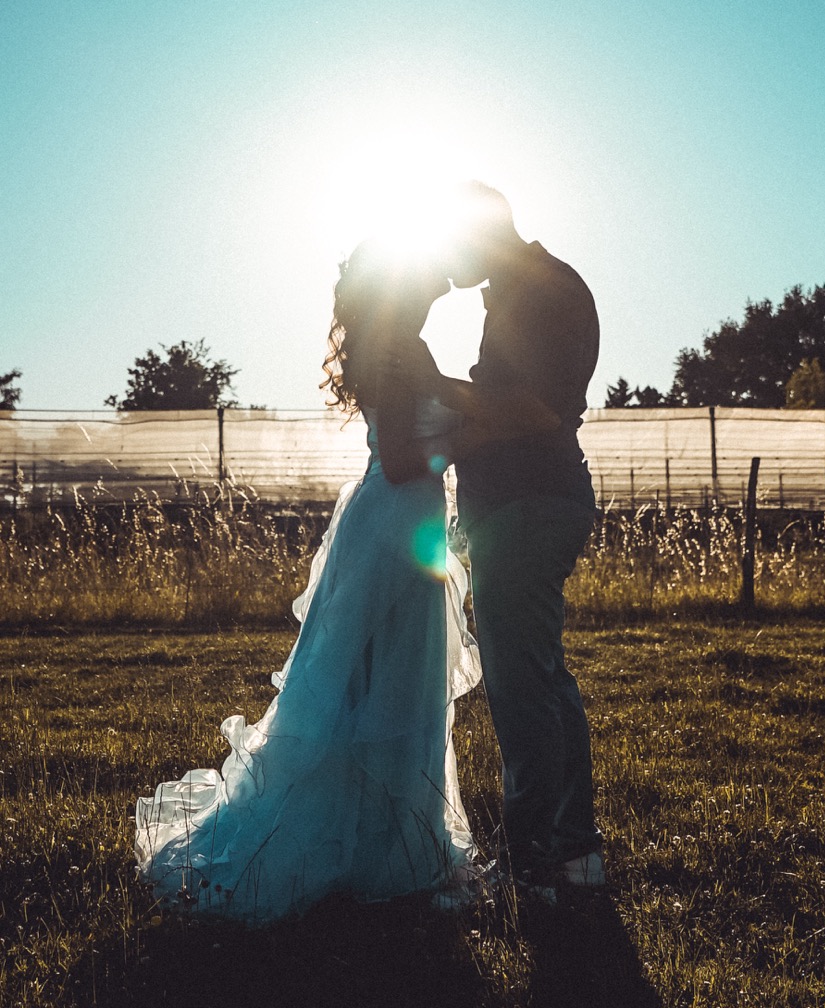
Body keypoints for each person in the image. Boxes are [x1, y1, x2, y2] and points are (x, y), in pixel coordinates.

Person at [134, 237, 556, 922]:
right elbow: (402, 461)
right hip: (395, 526)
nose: (437, 271)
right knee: (384, 691)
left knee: (381, 689)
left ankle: (380, 848)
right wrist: (481, 436)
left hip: (396, 523)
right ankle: (371, 853)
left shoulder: (396, 344)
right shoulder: (400, 349)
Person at [393, 183, 604, 894]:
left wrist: (438, 388)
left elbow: (536, 409)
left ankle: (540, 857)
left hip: (530, 505)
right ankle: (571, 851)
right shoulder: (522, 290)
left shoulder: (542, 292)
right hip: (519, 505)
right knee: (539, 676)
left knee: (521, 686)